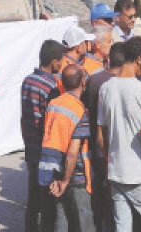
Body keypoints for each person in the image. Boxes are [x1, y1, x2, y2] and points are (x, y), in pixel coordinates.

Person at [97, 36, 141, 232]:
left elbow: (101, 133)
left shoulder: (106, 87)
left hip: (117, 172)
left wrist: (110, 161)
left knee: (122, 225)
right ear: (139, 58)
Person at [39, 64, 95, 232]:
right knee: (84, 222)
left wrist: (58, 178)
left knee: (62, 220)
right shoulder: (79, 111)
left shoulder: (53, 104)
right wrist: (65, 180)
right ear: (83, 81)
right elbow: (72, 152)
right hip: (75, 176)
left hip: (53, 171)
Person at [21, 40, 64, 232]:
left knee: (32, 200)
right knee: (48, 203)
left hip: (31, 146)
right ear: (54, 61)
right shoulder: (51, 86)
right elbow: (52, 121)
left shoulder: (28, 80)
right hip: (45, 149)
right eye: (60, 61)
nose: (61, 65)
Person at [82, 42, 125, 232]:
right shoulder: (125, 83)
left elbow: (88, 108)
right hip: (118, 147)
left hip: (97, 145)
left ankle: (100, 225)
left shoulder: (94, 80)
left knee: (99, 190)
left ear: (109, 59)